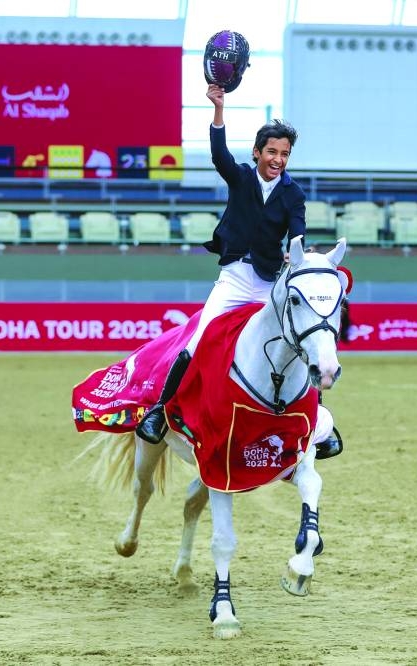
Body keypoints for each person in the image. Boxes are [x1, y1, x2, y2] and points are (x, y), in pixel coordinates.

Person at [136, 83, 341, 460]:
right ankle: (160, 413)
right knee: (197, 341)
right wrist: (218, 109)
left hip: (267, 282)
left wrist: (296, 250)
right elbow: (219, 156)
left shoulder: (293, 194)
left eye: (285, 154)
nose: (278, 159)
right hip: (233, 278)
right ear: (257, 152)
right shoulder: (242, 177)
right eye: (272, 152)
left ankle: (320, 424)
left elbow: (298, 230)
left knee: (298, 343)